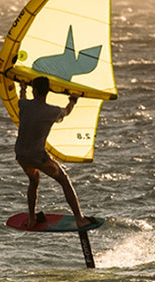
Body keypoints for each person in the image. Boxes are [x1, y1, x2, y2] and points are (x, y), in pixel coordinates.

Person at [15, 76, 97, 229]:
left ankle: (32, 219)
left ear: (35, 90)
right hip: (38, 157)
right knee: (64, 180)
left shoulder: (23, 104)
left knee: (33, 180)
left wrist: (23, 88)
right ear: (46, 92)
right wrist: (73, 100)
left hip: (21, 155)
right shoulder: (51, 111)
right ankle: (79, 219)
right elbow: (66, 112)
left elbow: (22, 98)